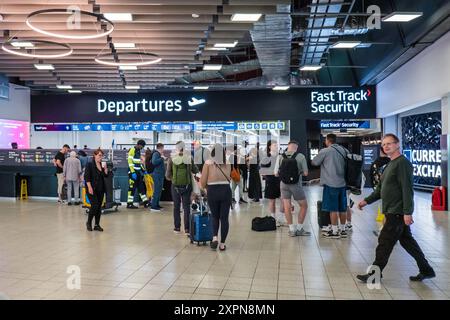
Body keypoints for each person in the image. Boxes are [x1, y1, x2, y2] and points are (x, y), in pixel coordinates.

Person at [356, 134, 435, 283]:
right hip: (391, 210)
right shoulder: (389, 164)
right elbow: (380, 190)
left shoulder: (402, 164)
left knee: (384, 243)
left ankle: (374, 275)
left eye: (389, 144)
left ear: (397, 144)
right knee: (408, 242)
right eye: (384, 145)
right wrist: (366, 201)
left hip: (396, 212)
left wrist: (407, 212)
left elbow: (407, 189)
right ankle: (426, 270)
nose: (386, 147)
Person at [312, 134, 348, 239]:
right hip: (343, 184)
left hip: (330, 184)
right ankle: (343, 230)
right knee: (342, 208)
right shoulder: (344, 150)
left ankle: (335, 231)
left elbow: (315, 162)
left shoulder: (325, 151)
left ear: (328, 141)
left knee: (333, 209)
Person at [274, 140, 311, 236]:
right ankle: (299, 229)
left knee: (287, 206)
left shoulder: (280, 157)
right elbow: (306, 173)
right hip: (296, 185)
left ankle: (291, 230)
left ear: (288, 146)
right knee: (304, 205)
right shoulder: (301, 156)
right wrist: (298, 173)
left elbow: (275, 173)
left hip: (283, 184)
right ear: (296, 147)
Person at [200, 143, 232, 251]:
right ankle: (222, 244)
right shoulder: (227, 162)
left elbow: (203, 181)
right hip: (226, 190)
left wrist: (204, 187)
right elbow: (229, 177)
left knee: (215, 216)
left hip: (213, 191)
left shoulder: (208, 163)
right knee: (224, 218)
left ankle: (214, 238)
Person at [166, 141, 199, 234]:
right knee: (186, 207)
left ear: (176, 148)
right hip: (187, 186)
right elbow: (195, 170)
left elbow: (167, 175)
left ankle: (177, 227)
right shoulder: (189, 158)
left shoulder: (171, 159)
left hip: (175, 186)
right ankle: (187, 229)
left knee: (176, 207)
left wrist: (173, 179)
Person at [260, 140, 285, 226]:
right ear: (270, 147)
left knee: (283, 199)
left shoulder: (281, 157)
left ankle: (281, 217)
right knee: (272, 201)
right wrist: (273, 172)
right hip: (270, 181)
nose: (276, 146)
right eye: (274, 145)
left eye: (277, 145)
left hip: (281, 181)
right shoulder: (266, 157)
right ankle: (273, 218)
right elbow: (262, 171)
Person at [84, 148, 108, 232]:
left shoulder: (101, 164)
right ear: (95, 155)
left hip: (101, 189)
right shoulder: (90, 164)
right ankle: (89, 222)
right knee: (94, 206)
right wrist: (89, 187)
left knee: (99, 207)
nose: (100, 157)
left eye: (102, 156)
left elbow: (105, 176)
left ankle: (97, 225)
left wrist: (105, 170)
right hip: (92, 189)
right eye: (99, 155)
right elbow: (87, 177)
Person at [126, 140, 149, 209]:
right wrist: (132, 172)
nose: (142, 148)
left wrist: (143, 170)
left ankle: (145, 202)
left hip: (138, 173)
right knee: (132, 188)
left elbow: (138, 163)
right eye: (142, 146)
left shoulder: (138, 151)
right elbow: (129, 162)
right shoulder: (132, 150)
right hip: (133, 173)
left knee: (141, 188)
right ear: (139, 144)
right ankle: (129, 204)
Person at [150, 143, 166, 212]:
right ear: (160, 148)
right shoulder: (156, 154)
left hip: (160, 175)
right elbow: (154, 162)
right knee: (156, 190)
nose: (163, 149)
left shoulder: (158, 154)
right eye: (163, 148)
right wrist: (162, 158)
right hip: (157, 175)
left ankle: (156, 204)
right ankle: (153, 206)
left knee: (159, 190)